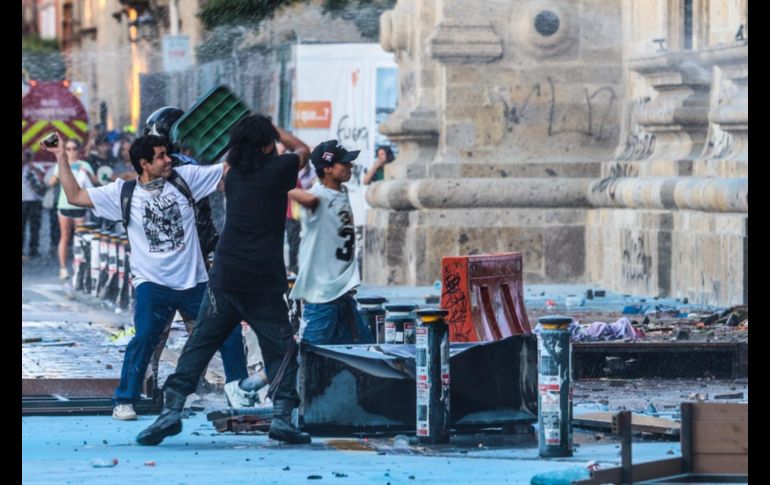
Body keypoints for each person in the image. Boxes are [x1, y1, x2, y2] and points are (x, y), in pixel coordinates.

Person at [40, 132, 247, 422]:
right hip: (152, 284)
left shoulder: (184, 178)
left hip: (194, 283)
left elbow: (226, 168)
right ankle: (125, 400)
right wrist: (61, 155)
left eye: (167, 154)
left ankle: (240, 391)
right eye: (161, 156)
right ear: (144, 164)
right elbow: (75, 195)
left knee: (228, 331)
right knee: (145, 338)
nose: (168, 160)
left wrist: (246, 141)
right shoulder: (122, 193)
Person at [135, 114, 312, 446]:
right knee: (281, 347)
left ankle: (171, 409)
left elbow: (235, 155)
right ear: (266, 144)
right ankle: (284, 417)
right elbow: (303, 150)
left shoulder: (232, 174)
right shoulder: (278, 170)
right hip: (263, 279)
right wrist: (276, 130)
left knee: (200, 342)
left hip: (226, 275)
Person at [288, 140, 374, 345]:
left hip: (343, 296)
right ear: (327, 168)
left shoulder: (340, 192)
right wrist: (277, 180)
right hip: (321, 298)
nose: (350, 167)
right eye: (344, 164)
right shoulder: (317, 196)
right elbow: (307, 199)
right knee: (310, 358)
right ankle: (260, 379)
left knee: (365, 355)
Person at [47, 139, 98, 281]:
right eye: (68, 149)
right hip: (64, 205)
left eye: (74, 148)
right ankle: (63, 268)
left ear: (78, 150)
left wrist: (86, 173)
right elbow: (50, 183)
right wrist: (56, 175)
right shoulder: (61, 165)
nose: (71, 151)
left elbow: (95, 181)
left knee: (81, 238)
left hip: (80, 206)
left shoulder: (84, 164)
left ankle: (80, 267)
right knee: (65, 237)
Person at [285, 144, 316, 276]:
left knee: (302, 242)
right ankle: (293, 268)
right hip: (291, 213)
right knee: (294, 242)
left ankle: (298, 268)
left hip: (304, 213)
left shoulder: (312, 174)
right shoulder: (289, 174)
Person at [22, 150, 46, 259]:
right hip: (23, 201)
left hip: (35, 201)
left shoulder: (37, 167)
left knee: (35, 227)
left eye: (28, 156)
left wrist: (33, 168)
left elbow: (43, 181)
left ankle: (34, 249)